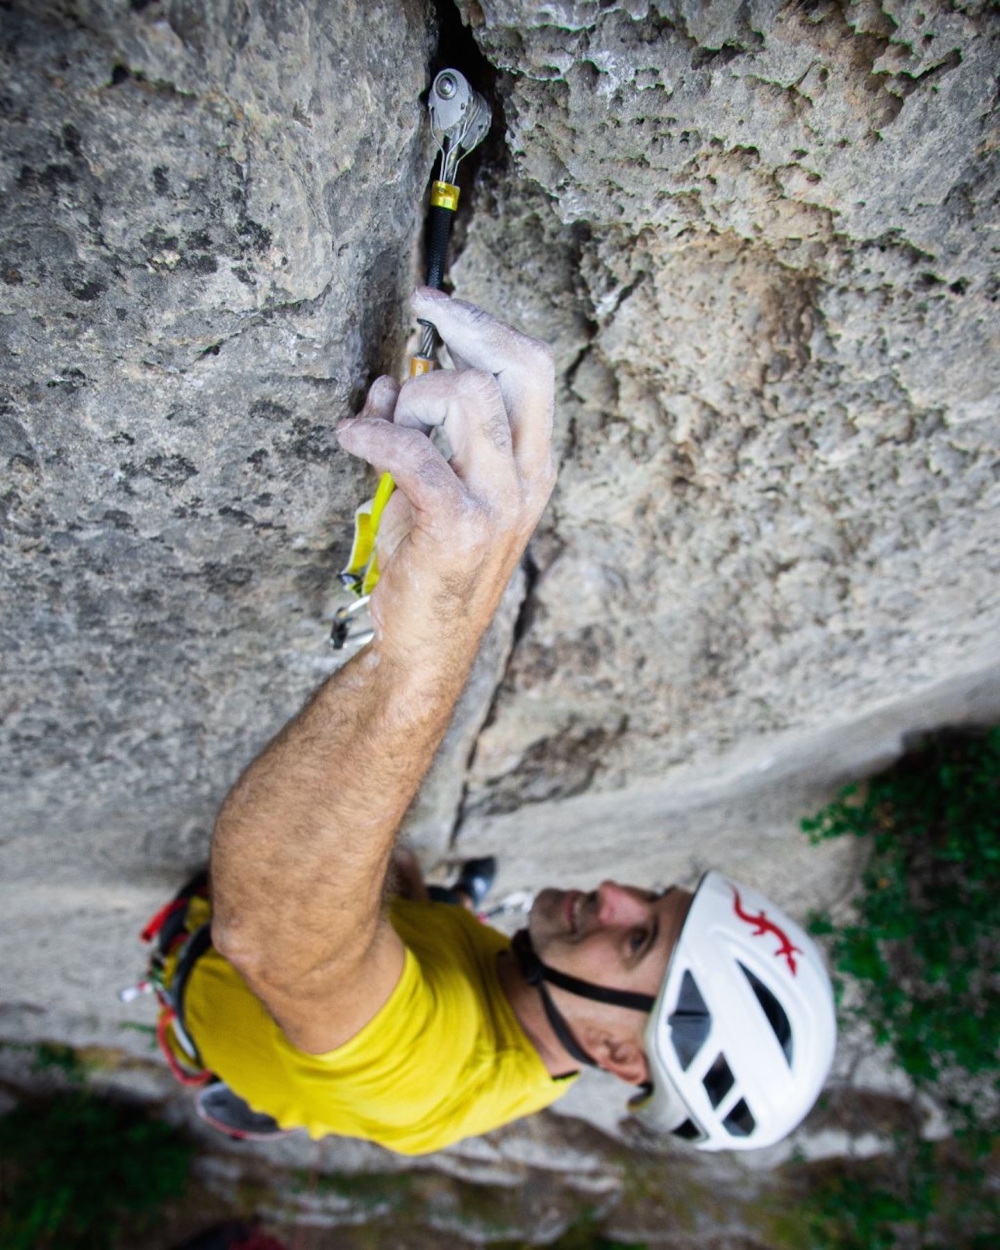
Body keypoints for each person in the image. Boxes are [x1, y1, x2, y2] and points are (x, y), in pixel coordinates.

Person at [154, 289, 835, 1155]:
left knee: (358, 903)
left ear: (617, 1053)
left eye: (635, 941)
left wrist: (431, 639)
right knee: (401, 869)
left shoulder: (433, 1076)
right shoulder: (534, 995)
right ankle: (427, 908)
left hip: (217, 975)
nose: (616, 895)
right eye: (651, 901)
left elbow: (274, 939)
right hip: (378, 971)